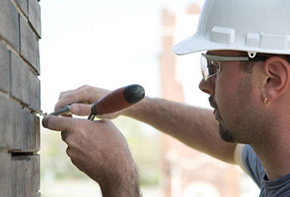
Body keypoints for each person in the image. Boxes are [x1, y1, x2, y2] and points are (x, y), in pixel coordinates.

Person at [42, 0, 290, 196]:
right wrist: (132, 105)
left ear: (272, 79)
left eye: (214, 67)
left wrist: (118, 177)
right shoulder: (275, 157)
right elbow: (227, 143)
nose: (204, 84)